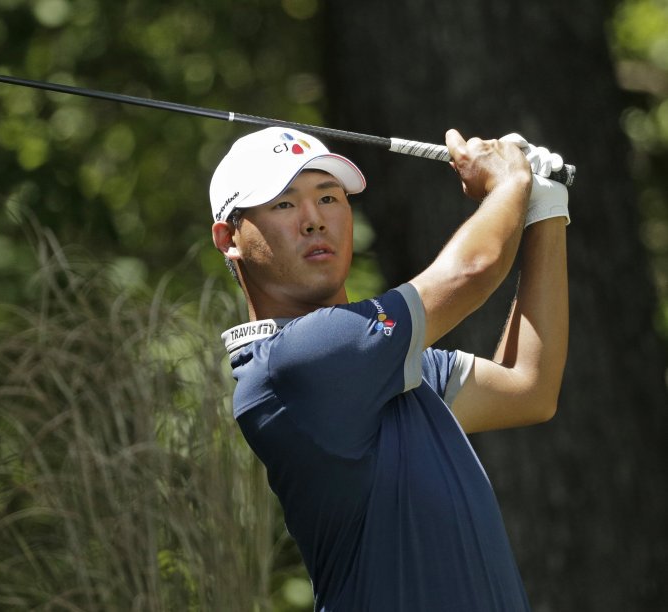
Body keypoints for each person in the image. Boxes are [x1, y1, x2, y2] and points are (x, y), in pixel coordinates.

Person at [209, 126, 569, 611]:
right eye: (284, 204)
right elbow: (472, 270)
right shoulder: (295, 363)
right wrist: (508, 184)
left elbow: (528, 387)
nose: (315, 220)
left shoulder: (384, 369)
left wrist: (545, 208)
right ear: (229, 237)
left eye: (330, 197)